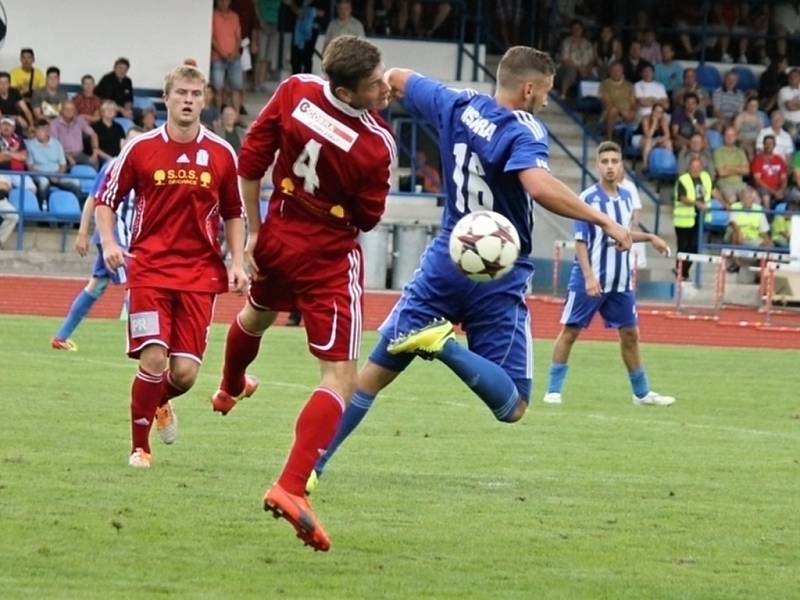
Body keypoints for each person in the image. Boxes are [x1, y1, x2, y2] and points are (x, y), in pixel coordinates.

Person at [309, 47, 631, 507]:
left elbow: (397, 76)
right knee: (514, 404)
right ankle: (442, 345)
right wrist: (604, 220)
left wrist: (369, 99)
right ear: (528, 89)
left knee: (368, 380)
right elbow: (538, 186)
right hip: (498, 275)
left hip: (445, 260)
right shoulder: (521, 128)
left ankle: (312, 468)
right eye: (545, 92)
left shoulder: (454, 102)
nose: (545, 101)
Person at [210, 36, 396, 552]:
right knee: (340, 375)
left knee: (258, 312)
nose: (385, 86)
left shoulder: (295, 91)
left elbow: (250, 161)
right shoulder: (375, 144)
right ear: (347, 90)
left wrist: (251, 233)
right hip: (327, 255)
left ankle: (228, 387)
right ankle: (292, 486)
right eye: (375, 83)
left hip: (278, 231)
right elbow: (368, 217)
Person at [95, 64, 246, 469]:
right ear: (166, 98)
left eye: (196, 94)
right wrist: (110, 242)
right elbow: (106, 201)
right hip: (149, 269)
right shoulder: (141, 148)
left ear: (205, 100)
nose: (188, 100)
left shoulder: (221, 153)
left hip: (199, 274)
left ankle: (159, 401)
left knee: (183, 375)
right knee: (154, 359)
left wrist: (238, 260)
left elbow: (234, 212)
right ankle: (139, 447)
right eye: (181, 93)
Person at [543, 142, 674, 406]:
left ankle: (641, 393)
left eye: (615, 161)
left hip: (621, 281)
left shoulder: (626, 197)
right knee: (570, 331)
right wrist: (590, 277)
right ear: (597, 166)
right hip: (591, 278)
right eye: (605, 162)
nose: (610, 166)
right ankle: (553, 390)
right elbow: (581, 242)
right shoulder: (587, 199)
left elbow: (622, 233)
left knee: (630, 334)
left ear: (622, 164)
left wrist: (649, 237)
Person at [51, 128, 144, 351]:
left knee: (97, 285)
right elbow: (93, 199)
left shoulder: (144, 166)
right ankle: (140, 342)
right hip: (114, 234)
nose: (134, 146)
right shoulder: (114, 165)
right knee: (137, 282)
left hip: (123, 236)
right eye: (131, 141)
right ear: (123, 143)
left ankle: (61, 337)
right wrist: (83, 232)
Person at [673, 156, 716, 279]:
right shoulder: (683, 179)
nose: (695, 169)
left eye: (698, 167)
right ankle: (681, 272)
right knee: (683, 247)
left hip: (700, 218)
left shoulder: (706, 177)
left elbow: (713, 191)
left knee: (695, 247)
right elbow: (682, 197)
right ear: (688, 167)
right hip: (683, 219)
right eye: (693, 166)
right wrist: (697, 204)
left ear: (702, 167)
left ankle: (683, 271)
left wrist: (725, 203)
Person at [751, 135, 788, 212]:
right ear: (763, 145)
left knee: (791, 195)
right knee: (766, 197)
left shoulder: (779, 159)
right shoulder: (758, 159)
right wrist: (774, 192)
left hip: (778, 188)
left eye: (771, 143)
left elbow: (784, 178)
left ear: (774, 145)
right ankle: (767, 220)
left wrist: (781, 190)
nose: (768, 145)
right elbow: (757, 180)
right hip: (763, 188)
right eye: (766, 143)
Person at [0, 174, 19, 249]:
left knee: (14, 216)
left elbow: (6, 187)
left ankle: (0, 240)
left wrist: (2, 185)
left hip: (1, 201)